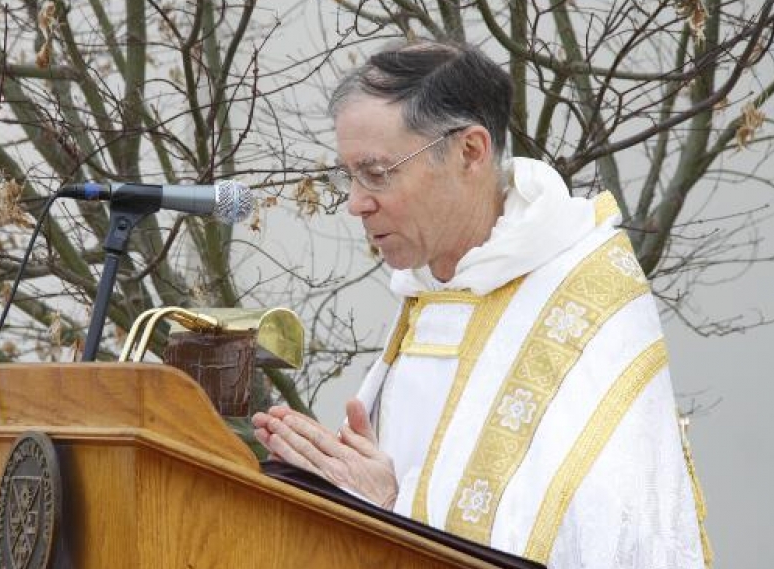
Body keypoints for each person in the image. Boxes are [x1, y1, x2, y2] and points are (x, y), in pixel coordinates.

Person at [252, 39, 711, 569]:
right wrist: (341, 493)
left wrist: (387, 508)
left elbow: (603, 535)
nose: (357, 201)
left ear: (470, 150)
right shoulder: (430, 289)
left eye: (377, 173)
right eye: (348, 175)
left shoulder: (582, 299)